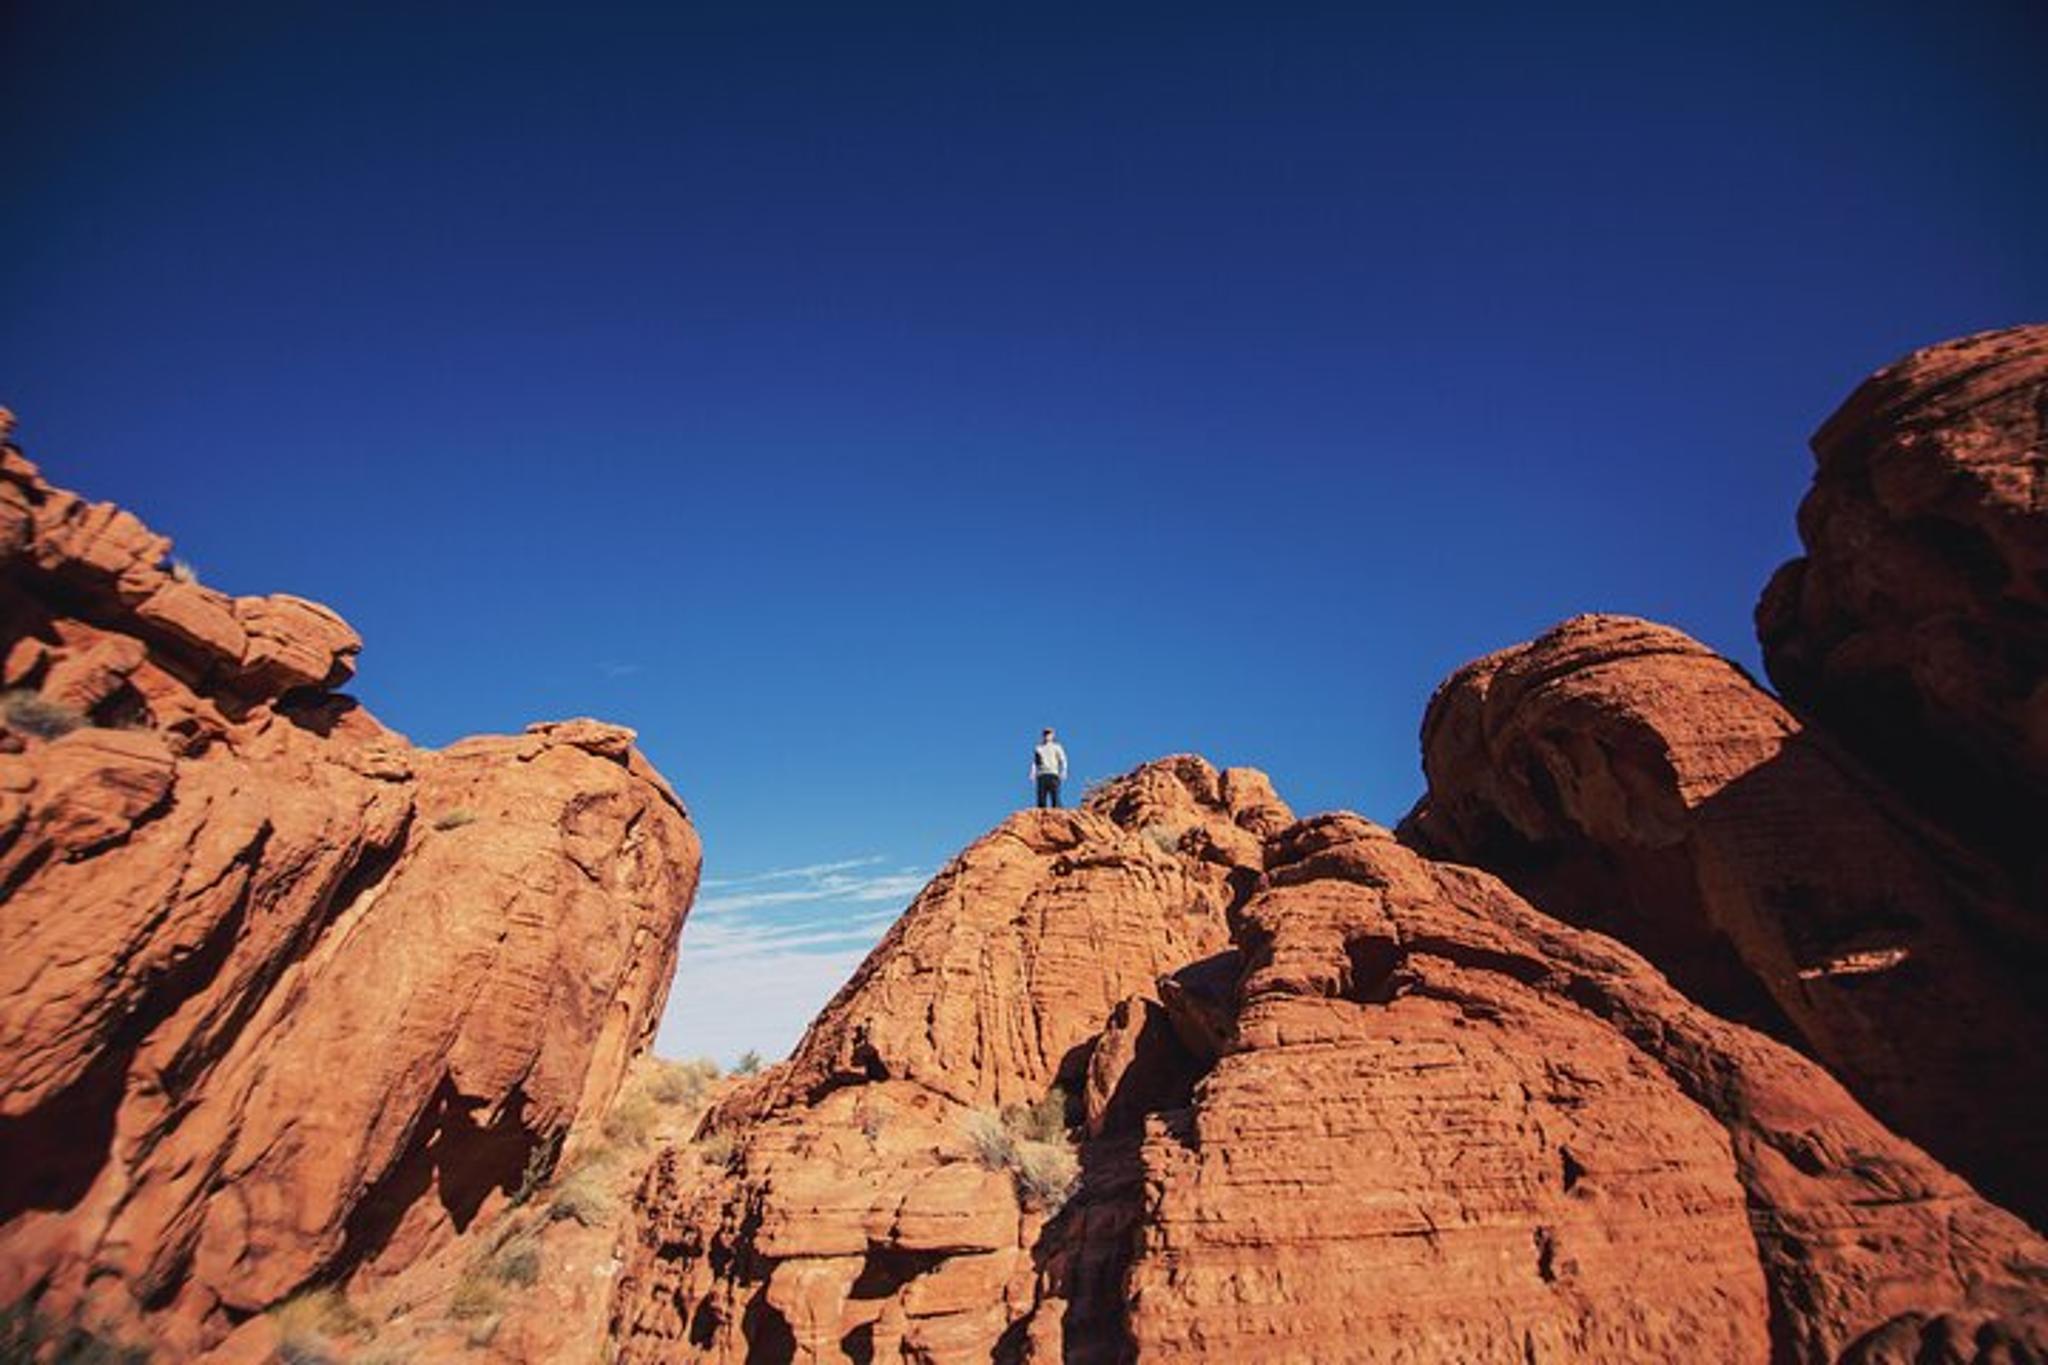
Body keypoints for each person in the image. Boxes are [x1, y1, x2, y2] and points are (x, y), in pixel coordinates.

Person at [1030, 727, 1069, 808]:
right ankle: (1042, 814)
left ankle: (1057, 813)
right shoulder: (1039, 748)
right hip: (1042, 774)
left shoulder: (1057, 747)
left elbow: (1063, 760)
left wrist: (1064, 771)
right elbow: (1035, 762)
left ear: (1053, 735)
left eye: (1049, 734)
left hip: (1053, 774)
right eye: (1045, 734)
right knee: (1041, 800)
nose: (1047, 736)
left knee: (1055, 798)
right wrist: (1032, 773)